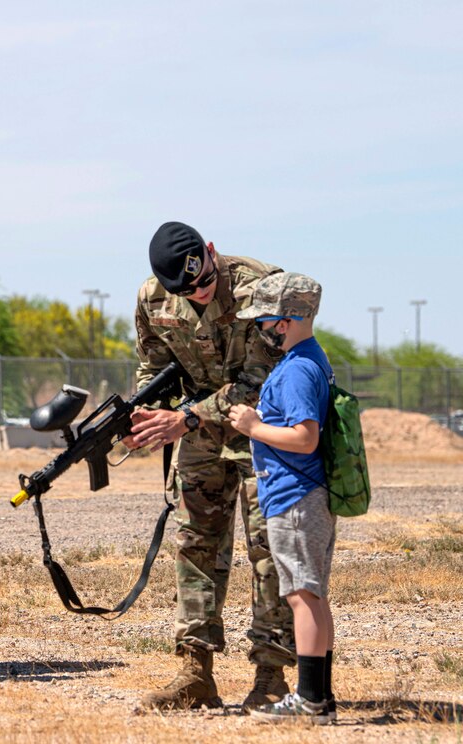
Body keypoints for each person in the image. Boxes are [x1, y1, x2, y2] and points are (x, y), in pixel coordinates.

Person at [124, 221, 296, 711]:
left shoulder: (262, 286)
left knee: (269, 548)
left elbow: (265, 378)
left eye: (204, 282)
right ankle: (195, 672)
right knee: (195, 545)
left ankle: (271, 675)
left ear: (212, 252)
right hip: (197, 434)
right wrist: (141, 412)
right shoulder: (152, 298)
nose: (200, 295)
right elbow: (153, 366)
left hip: (264, 430)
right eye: (188, 291)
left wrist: (185, 417)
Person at [227, 272, 337, 724]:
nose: (260, 330)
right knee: (312, 594)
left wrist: (253, 427)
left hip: (294, 497)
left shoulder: (296, 369)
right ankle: (320, 697)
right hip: (303, 496)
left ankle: (310, 701)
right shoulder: (311, 359)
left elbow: (304, 437)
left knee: (302, 596)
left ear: (285, 321)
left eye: (263, 321)